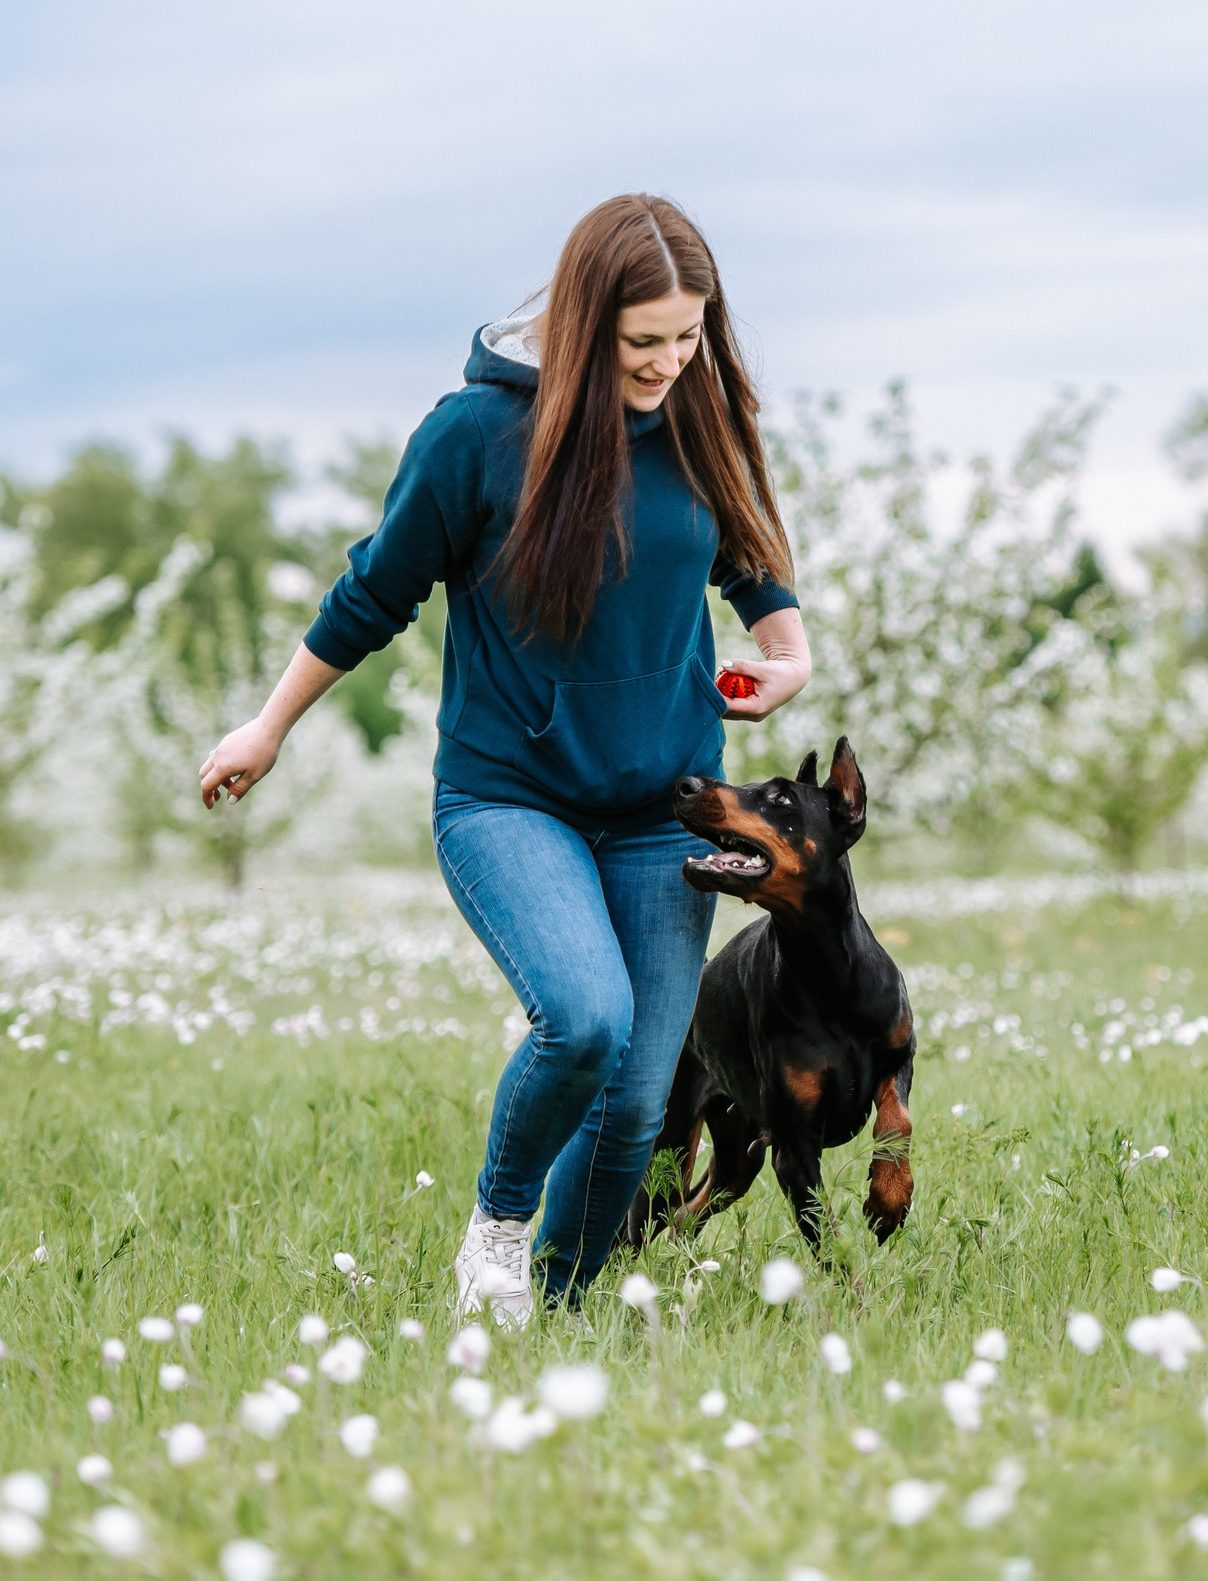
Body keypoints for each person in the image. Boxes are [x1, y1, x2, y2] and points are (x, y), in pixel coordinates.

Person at [196, 194, 810, 1324]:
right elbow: (373, 590)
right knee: (583, 1017)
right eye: (643, 342)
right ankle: (497, 1230)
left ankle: (557, 1317)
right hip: (508, 795)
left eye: (688, 335)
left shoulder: (695, 409)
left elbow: (742, 540)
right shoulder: (473, 438)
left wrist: (785, 642)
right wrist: (269, 723)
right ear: (584, 326)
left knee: (633, 1104)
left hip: (663, 804)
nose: (670, 362)